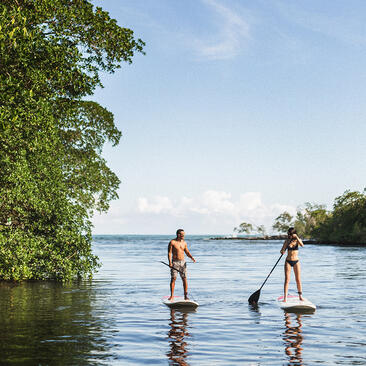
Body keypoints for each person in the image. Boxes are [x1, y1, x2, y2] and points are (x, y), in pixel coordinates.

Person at [168, 229, 195, 300]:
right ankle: (171, 296)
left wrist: (191, 257)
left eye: (184, 234)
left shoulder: (184, 243)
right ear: (178, 234)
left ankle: (186, 296)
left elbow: (187, 252)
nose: (183, 236)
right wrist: (170, 262)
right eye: (182, 234)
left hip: (183, 262)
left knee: (184, 279)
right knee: (173, 278)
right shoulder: (172, 242)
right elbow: (169, 253)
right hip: (175, 262)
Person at [280, 228, 304, 302]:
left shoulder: (297, 241)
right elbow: (282, 250)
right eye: (288, 234)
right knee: (287, 280)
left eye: (290, 234)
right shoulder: (287, 241)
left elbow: (302, 245)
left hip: (296, 261)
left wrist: (296, 237)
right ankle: (285, 298)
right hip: (288, 261)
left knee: (298, 280)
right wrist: (282, 251)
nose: (289, 235)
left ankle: (300, 296)